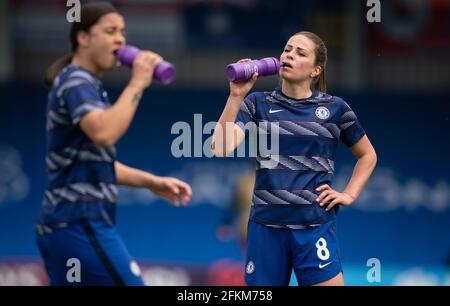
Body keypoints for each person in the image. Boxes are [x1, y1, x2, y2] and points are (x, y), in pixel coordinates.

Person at [36, 2, 192, 286]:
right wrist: (137, 84)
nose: (120, 39)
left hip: (60, 227)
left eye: (122, 31)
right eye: (110, 31)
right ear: (82, 38)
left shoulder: (87, 85)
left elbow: (96, 164)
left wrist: (151, 182)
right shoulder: (76, 80)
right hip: (79, 223)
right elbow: (104, 133)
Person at [211, 31, 377, 286]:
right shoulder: (257, 103)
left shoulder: (336, 108)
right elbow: (220, 148)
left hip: (314, 227)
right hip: (266, 229)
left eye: (300, 52)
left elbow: (367, 155)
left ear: (315, 70)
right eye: (287, 49)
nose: (289, 55)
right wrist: (236, 96)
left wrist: (349, 195)